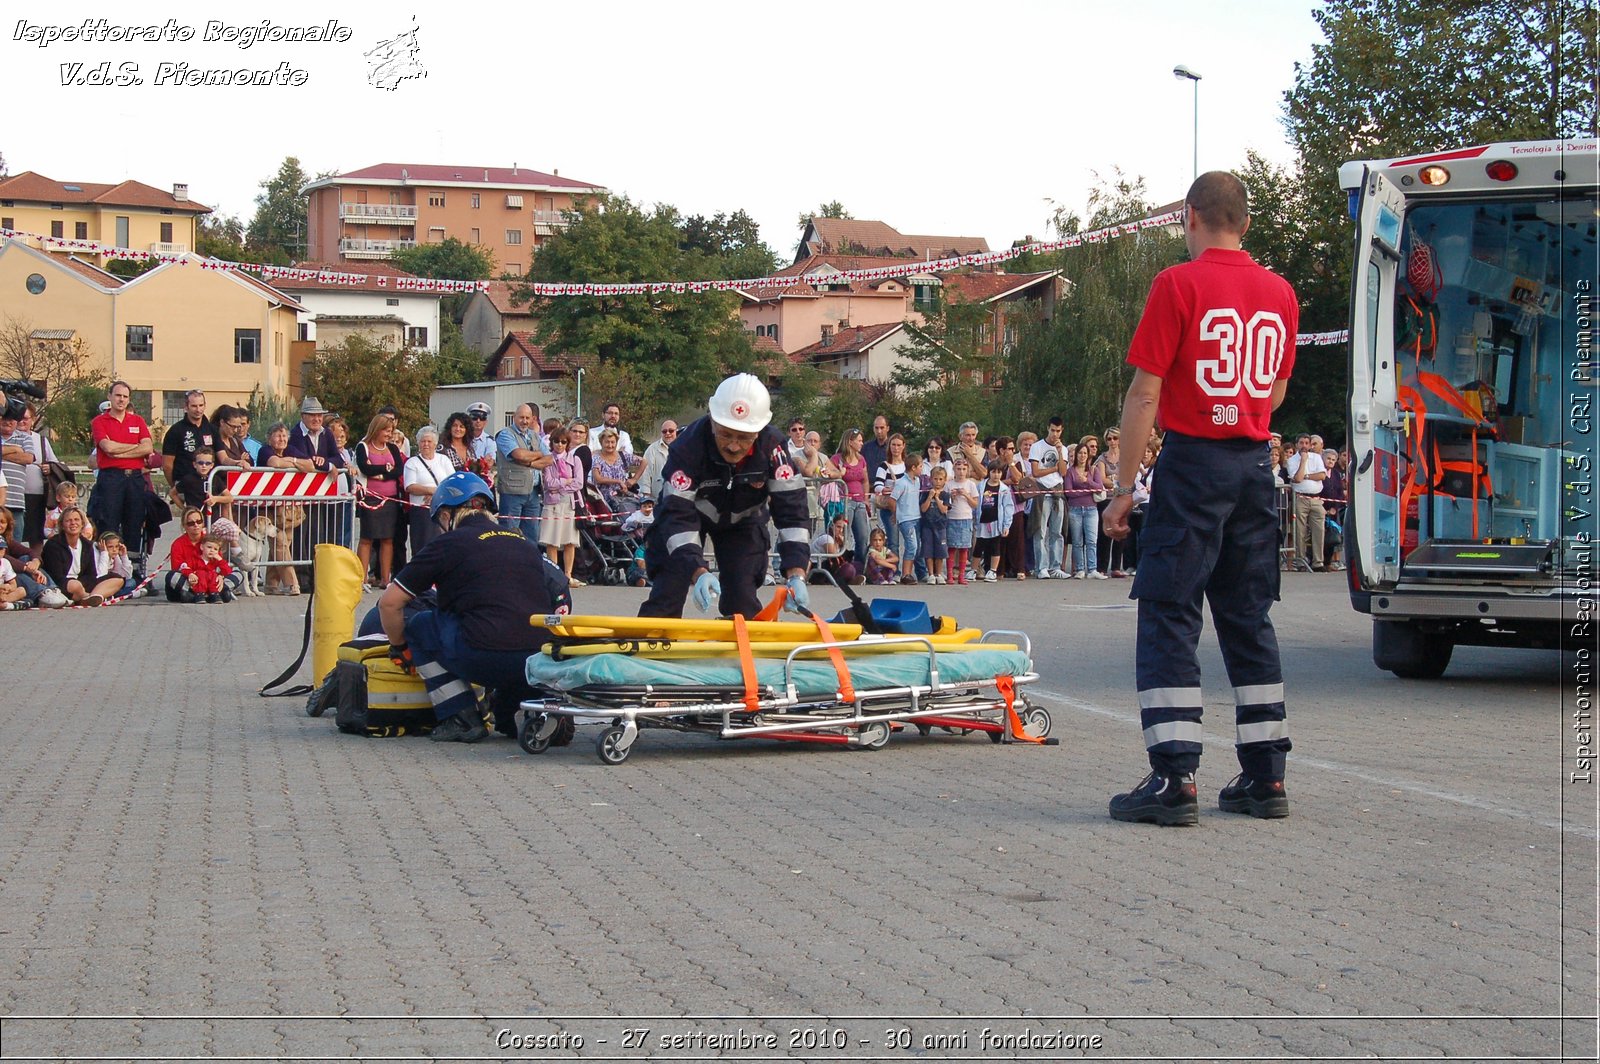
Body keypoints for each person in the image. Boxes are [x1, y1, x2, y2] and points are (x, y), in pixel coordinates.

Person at [1102, 170, 1298, 826]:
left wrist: (1124, 488)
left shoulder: (1177, 284)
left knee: (1169, 610)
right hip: (1253, 464)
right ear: (1245, 221)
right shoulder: (1281, 293)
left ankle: (1174, 779)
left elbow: (1144, 394)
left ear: (1190, 216)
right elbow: (1273, 395)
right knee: (1248, 616)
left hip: (1193, 464)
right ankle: (1266, 776)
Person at [379, 471, 568, 743]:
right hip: (535, 660)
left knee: (421, 625)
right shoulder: (524, 544)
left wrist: (400, 647)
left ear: (447, 514)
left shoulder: (447, 543)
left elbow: (389, 603)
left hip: (481, 652)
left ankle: (460, 716)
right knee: (509, 662)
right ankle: (531, 713)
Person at [638, 373, 811, 619]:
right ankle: (651, 642)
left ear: (759, 431)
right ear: (712, 421)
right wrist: (698, 571)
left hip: (743, 521)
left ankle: (742, 652)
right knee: (669, 588)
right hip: (689, 518)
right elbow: (676, 515)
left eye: (743, 437)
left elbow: (792, 513)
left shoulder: (774, 448)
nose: (733, 446)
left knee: (742, 599)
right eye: (726, 434)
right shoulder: (687, 447)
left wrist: (796, 573)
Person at [89, 381, 153, 575]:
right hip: (111, 478)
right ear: (110, 396)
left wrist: (119, 450)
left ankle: (132, 571)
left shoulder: (138, 421)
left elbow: (148, 448)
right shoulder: (99, 421)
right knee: (109, 522)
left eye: (125, 396)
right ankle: (108, 569)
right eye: (118, 395)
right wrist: (134, 449)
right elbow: (107, 448)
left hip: (134, 479)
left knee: (134, 523)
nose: (121, 400)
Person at [355, 413, 404, 589]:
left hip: (390, 500)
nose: (389, 434)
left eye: (391, 431)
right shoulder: (363, 447)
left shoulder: (393, 448)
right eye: (386, 430)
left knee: (388, 539)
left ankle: (385, 579)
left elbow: (398, 470)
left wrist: (380, 473)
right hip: (370, 499)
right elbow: (365, 467)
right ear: (377, 429)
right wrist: (385, 469)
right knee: (367, 538)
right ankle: (362, 579)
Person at [41, 507, 122, 606]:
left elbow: (91, 574)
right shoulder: (53, 545)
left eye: (76, 520)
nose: (73, 523)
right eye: (68, 520)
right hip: (62, 584)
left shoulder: (87, 544)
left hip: (81, 582)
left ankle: (93, 596)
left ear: (82, 523)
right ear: (62, 525)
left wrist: (85, 583)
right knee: (75, 585)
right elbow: (56, 576)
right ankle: (86, 597)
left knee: (118, 579)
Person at [495, 403, 551, 543]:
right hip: (511, 493)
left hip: (534, 493)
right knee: (509, 535)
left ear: (532, 419)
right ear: (514, 417)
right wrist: (538, 454)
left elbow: (550, 458)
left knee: (532, 537)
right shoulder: (505, 434)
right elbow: (518, 455)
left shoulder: (534, 435)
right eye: (521, 417)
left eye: (527, 418)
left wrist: (530, 463)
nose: (524, 421)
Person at [539, 428, 585, 586]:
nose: (560, 445)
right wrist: (564, 482)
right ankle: (554, 574)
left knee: (569, 541)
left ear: (567, 443)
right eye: (556, 441)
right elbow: (548, 484)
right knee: (552, 541)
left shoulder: (575, 459)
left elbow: (579, 482)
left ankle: (568, 575)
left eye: (563, 442)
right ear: (551, 443)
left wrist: (560, 486)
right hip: (551, 504)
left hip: (569, 503)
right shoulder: (547, 460)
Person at [404, 426, 456, 555]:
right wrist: (430, 490)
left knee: (443, 545)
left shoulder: (443, 460)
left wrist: (436, 494)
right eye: (423, 441)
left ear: (435, 443)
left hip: (442, 508)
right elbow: (410, 486)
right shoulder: (412, 462)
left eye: (429, 441)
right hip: (421, 511)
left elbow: (452, 482)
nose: (426, 444)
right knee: (422, 546)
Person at [1029, 418, 1069, 579]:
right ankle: (1042, 567)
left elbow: (1064, 472)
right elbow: (1036, 472)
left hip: (1057, 492)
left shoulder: (1063, 449)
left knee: (1057, 532)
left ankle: (1055, 566)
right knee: (1041, 531)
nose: (1055, 434)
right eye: (1052, 430)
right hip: (1042, 492)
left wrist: (1059, 452)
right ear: (1048, 429)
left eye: (1058, 431)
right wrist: (1055, 468)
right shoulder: (1037, 447)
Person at [160, 389, 219, 496]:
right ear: (186, 407)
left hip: (208, 486)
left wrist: (237, 462)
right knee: (187, 513)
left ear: (205, 405)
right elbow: (167, 465)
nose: (198, 409)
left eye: (201, 405)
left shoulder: (212, 429)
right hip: (184, 486)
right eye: (194, 406)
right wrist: (175, 488)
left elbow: (222, 456)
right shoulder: (175, 430)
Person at [1285, 433, 1327, 572]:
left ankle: (1318, 562)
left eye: (1306, 443)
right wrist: (1303, 461)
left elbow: (1322, 475)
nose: (1304, 446)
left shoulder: (1316, 457)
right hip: (1301, 498)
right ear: (1297, 444)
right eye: (1301, 443)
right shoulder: (1292, 460)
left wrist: (1307, 476)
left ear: (1310, 445)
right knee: (1300, 531)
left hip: (1316, 498)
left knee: (1319, 530)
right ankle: (1301, 560)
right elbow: (1297, 478)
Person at [832, 427, 872, 568]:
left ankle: (860, 567)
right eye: (859, 440)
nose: (862, 443)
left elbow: (865, 480)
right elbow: (830, 476)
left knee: (862, 537)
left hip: (860, 502)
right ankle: (841, 566)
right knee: (843, 536)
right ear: (850, 442)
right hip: (845, 501)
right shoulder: (837, 459)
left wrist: (866, 499)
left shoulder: (861, 460)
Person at [1065, 442, 1104, 579]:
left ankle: (1092, 569)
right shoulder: (1070, 471)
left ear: (1088, 456)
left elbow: (1099, 488)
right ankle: (1080, 569)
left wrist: (1086, 482)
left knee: (1092, 540)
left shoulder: (1093, 470)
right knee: (1077, 541)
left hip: (1091, 509)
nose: (1082, 456)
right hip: (1075, 509)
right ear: (1076, 455)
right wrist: (1087, 491)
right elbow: (1069, 492)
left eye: (1085, 453)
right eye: (1080, 453)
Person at [972, 459, 1014, 582]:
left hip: (996, 522)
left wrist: (1006, 525)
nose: (996, 475)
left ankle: (992, 571)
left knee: (996, 547)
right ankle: (973, 570)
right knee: (978, 547)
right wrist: (974, 519)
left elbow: (1008, 507)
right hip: (982, 522)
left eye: (999, 472)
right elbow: (976, 503)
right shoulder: (981, 486)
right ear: (989, 472)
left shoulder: (1004, 489)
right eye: (993, 472)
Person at [285, 396, 346, 472]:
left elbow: (338, 460)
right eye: (312, 415)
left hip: (326, 483)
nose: (317, 419)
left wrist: (324, 461)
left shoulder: (327, 433)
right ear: (302, 416)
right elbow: (307, 462)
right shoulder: (295, 435)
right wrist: (329, 466)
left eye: (319, 415)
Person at [946, 455, 979, 585]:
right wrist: (952, 497)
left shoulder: (970, 484)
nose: (961, 471)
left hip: (966, 519)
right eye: (958, 469)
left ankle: (961, 575)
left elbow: (975, 504)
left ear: (967, 470)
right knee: (952, 548)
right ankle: (949, 574)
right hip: (952, 518)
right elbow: (945, 504)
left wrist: (966, 495)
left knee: (964, 548)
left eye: (964, 469)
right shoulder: (948, 485)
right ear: (954, 470)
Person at [920, 464, 951, 584]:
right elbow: (923, 509)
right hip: (927, 525)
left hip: (941, 526)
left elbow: (944, 510)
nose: (938, 482)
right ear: (931, 479)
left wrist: (937, 498)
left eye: (940, 479)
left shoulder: (945, 495)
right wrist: (929, 497)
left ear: (944, 480)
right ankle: (931, 574)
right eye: (935, 479)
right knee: (928, 550)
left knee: (940, 551)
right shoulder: (925, 493)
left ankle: (939, 574)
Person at [810, 513, 861, 586]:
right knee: (849, 568)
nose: (841, 530)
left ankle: (850, 580)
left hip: (832, 567)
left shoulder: (839, 539)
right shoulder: (827, 538)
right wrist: (842, 544)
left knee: (858, 565)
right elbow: (835, 557)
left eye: (843, 528)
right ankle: (848, 580)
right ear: (832, 526)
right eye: (838, 527)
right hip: (819, 569)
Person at [636, 420, 678, 502]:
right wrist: (646, 495)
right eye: (664, 431)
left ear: (676, 431)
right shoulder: (652, 449)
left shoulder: (685, 447)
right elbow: (645, 472)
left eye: (671, 431)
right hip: (658, 500)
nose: (668, 433)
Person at [465, 402, 497, 466]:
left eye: (482, 418)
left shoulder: (490, 441)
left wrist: (470, 463)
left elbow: (489, 463)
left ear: (486, 422)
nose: (478, 421)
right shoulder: (463, 438)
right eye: (474, 418)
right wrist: (481, 462)